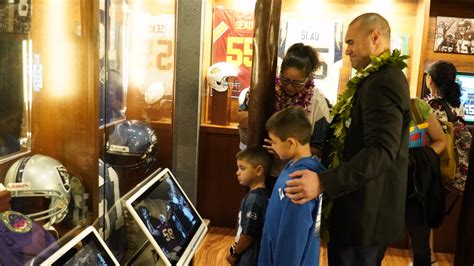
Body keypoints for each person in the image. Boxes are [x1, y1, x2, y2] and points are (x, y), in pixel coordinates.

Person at [283, 13, 411, 266]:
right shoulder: (373, 79)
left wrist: (323, 181)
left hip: (365, 216)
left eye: (351, 42)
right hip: (356, 211)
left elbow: (380, 151)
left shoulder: (384, 81)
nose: (348, 50)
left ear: (375, 37)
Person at [259, 107, 326, 266]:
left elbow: (293, 239)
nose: (272, 146)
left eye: (274, 141)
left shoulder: (297, 183)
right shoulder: (301, 169)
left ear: (290, 143)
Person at [406, 98, 446, 266]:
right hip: (383, 183)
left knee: (420, 244)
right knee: (376, 245)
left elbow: (440, 141)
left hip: (416, 182)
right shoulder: (372, 106)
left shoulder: (417, 106)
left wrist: (419, 158)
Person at [425, 60, 471, 193]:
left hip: (445, 171)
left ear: (430, 79)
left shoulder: (432, 106)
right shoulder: (458, 104)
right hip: (461, 170)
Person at [227, 146, 271, 266]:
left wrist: (233, 254)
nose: (237, 172)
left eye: (242, 168)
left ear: (259, 170)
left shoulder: (254, 200)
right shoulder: (260, 195)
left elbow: (248, 234)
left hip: (249, 260)